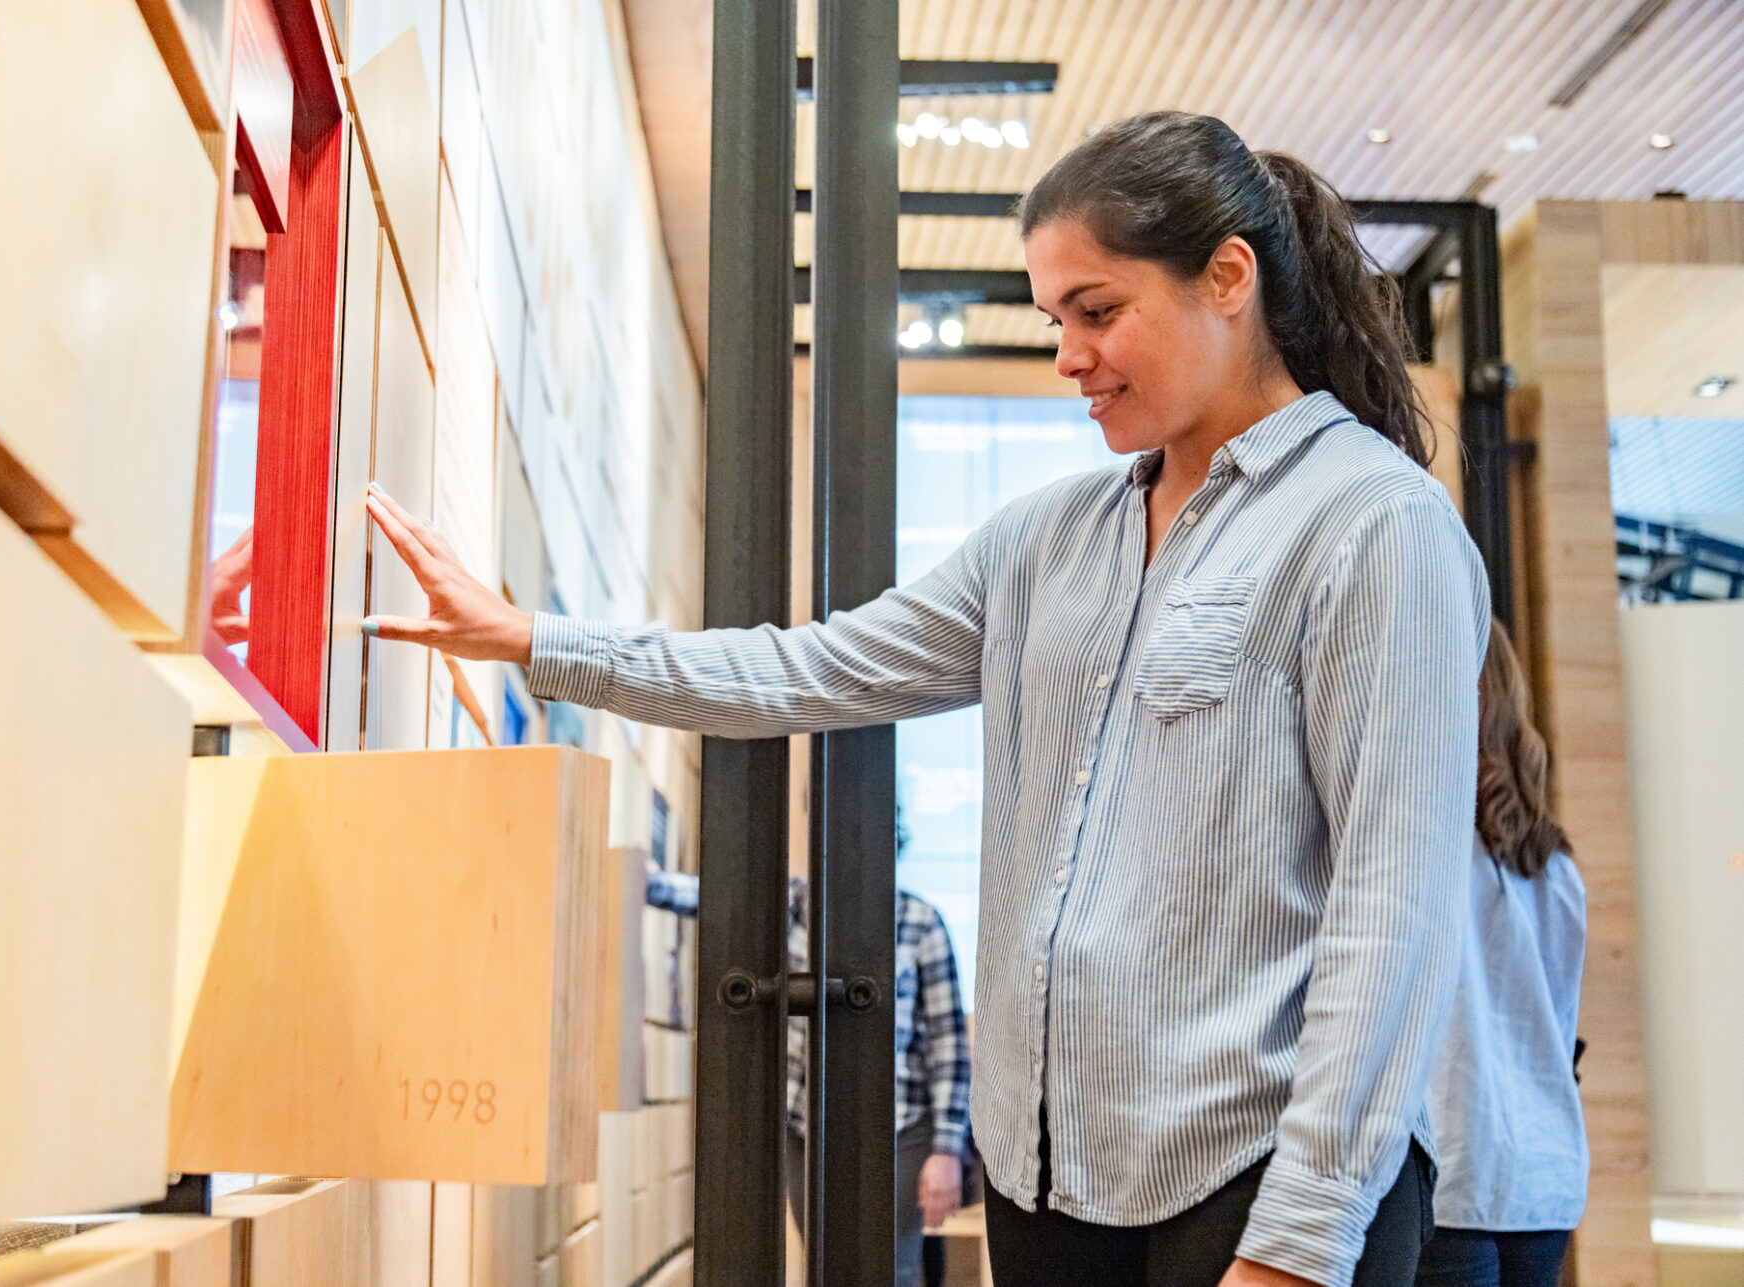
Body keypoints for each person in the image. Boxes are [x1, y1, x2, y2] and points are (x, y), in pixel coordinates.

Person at [360, 109, 1489, 1287]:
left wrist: (1302, 1241)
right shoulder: (1046, 542)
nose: (1066, 355)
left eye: (1097, 312)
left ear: (1227, 278)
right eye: (1054, 319)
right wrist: (532, 639)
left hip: (1255, 1189)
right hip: (1046, 1180)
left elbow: (1393, 909)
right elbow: (805, 669)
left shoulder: (1376, 526)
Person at [644, 867, 971, 1287]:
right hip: (806, 1131)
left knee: (890, 1272)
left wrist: (946, 1149)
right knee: (824, 1267)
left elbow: (948, 1044)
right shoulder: (791, 905)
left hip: (900, 1132)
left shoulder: (920, 922)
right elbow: (711, 895)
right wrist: (641, 878)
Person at [1414, 621, 1589, 1287]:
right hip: (1546, 1177)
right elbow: (1562, 1030)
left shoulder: (1430, 838)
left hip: (1454, 1167)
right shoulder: (1556, 867)